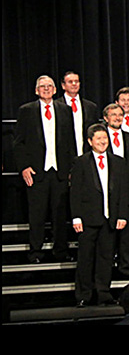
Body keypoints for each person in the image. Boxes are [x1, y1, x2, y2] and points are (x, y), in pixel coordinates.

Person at [13, 75, 76, 263]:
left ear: (56, 90)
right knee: (37, 214)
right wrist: (24, 167)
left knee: (60, 214)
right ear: (36, 90)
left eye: (50, 86)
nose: (46, 89)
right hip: (36, 172)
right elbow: (19, 143)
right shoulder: (26, 111)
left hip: (60, 172)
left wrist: (72, 168)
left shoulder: (65, 110)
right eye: (42, 86)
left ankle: (61, 251)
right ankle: (36, 252)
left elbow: (70, 142)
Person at [70, 123, 129, 307]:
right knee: (86, 258)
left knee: (106, 258)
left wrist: (122, 215)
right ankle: (84, 295)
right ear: (90, 141)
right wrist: (76, 217)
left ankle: (103, 292)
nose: (103, 142)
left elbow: (123, 192)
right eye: (99, 139)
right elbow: (75, 193)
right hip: (88, 219)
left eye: (105, 138)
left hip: (110, 219)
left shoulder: (118, 162)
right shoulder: (81, 162)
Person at [103, 103, 129, 278]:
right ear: (106, 118)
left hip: (128, 193)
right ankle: (106, 267)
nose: (118, 118)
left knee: (127, 233)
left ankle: (126, 267)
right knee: (107, 232)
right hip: (105, 193)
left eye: (120, 115)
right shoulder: (100, 139)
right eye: (113, 115)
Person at [60, 71, 100, 156]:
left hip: (86, 155)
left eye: (76, 81)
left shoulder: (91, 107)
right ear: (63, 85)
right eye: (70, 82)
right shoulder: (56, 106)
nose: (74, 84)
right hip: (63, 155)